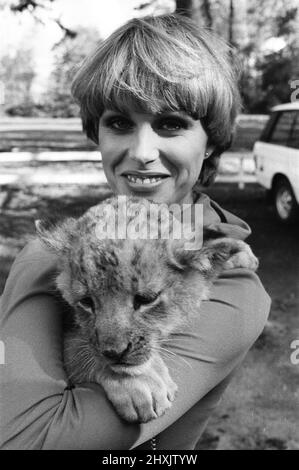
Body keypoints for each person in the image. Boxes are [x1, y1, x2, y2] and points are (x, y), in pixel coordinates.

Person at [0, 14, 271, 450]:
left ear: (213, 140)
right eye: (120, 123)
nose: (142, 153)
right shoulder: (81, 245)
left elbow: (25, 440)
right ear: (97, 133)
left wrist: (34, 263)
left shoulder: (231, 290)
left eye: (172, 123)